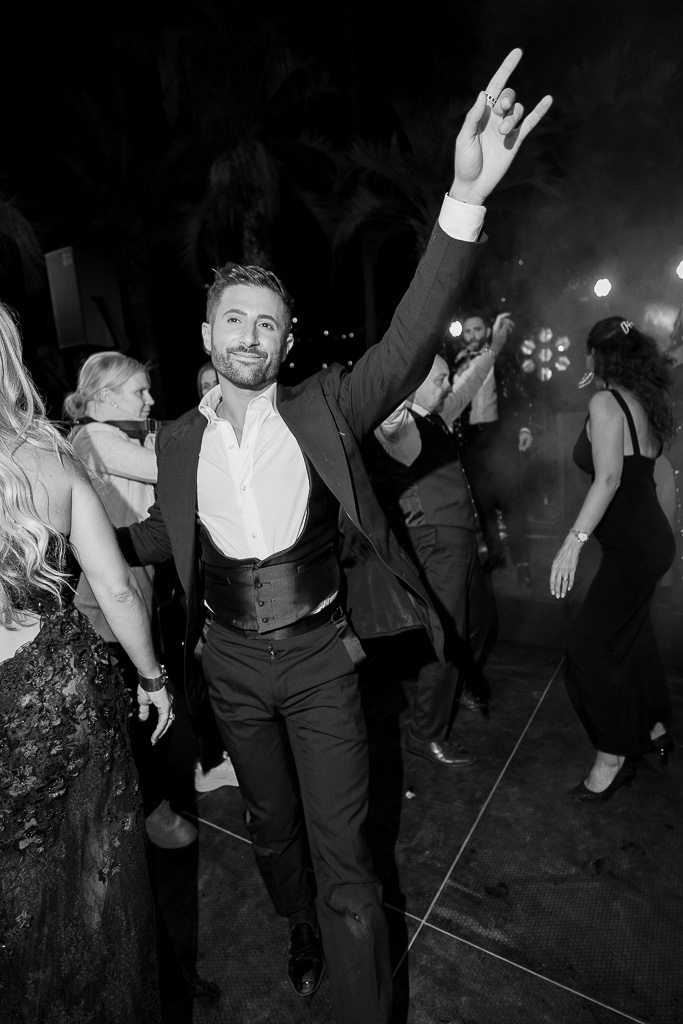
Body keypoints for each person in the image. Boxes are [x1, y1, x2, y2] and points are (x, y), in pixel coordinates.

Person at [116, 50, 552, 1024]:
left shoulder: (326, 407)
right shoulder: (176, 443)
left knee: (348, 856)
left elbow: (406, 339)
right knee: (271, 829)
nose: (249, 335)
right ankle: (294, 922)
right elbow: (155, 537)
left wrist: (464, 198)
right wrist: (57, 542)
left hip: (319, 659)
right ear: (207, 336)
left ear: (284, 340)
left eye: (266, 325)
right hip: (231, 667)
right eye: (233, 320)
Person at [0, 301, 172, 1023]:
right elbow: (115, 589)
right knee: (93, 863)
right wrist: (153, 678)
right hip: (58, 688)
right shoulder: (47, 457)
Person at [63, 352, 199, 850]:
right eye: (139, 391)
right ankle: (150, 815)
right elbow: (176, 467)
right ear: (104, 397)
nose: (151, 400)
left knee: (141, 709)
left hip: (132, 592)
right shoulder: (94, 438)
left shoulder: (119, 437)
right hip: (105, 606)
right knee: (136, 714)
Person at [549, 316, 676, 801]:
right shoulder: (641, 402)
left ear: (596, 356)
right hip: (647, 543)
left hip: (634, 549)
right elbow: (651, 476)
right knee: (633, 637)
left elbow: (609, 479)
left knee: (585, 651)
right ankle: (656, 727)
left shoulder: (606, 403)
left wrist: (573, 542)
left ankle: (612, 755)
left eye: (586, 351)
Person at [370, 332, 509, 765]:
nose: (447, 385)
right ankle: (424, 732)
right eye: (438, 379)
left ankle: (459, 685)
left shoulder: (436, 416)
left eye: (447, 377)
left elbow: (467, 387)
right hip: (436, 540)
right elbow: (385, 416)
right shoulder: (399, 426)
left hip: (461, 538)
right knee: (446, 639)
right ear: (412, 384)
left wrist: (492, 350)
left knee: (482, 622)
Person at [451, 309, 535, 586]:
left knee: (511, 502)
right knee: (483, 503)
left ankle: (523, 563)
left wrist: (524, 428)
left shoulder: (501, 357)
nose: (472, 335)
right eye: (467, 331)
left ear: (487, 331)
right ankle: (496, 554)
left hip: (499, 435)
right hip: (471, 439)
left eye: (477, 329)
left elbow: (521, 393)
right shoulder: (458, 362)